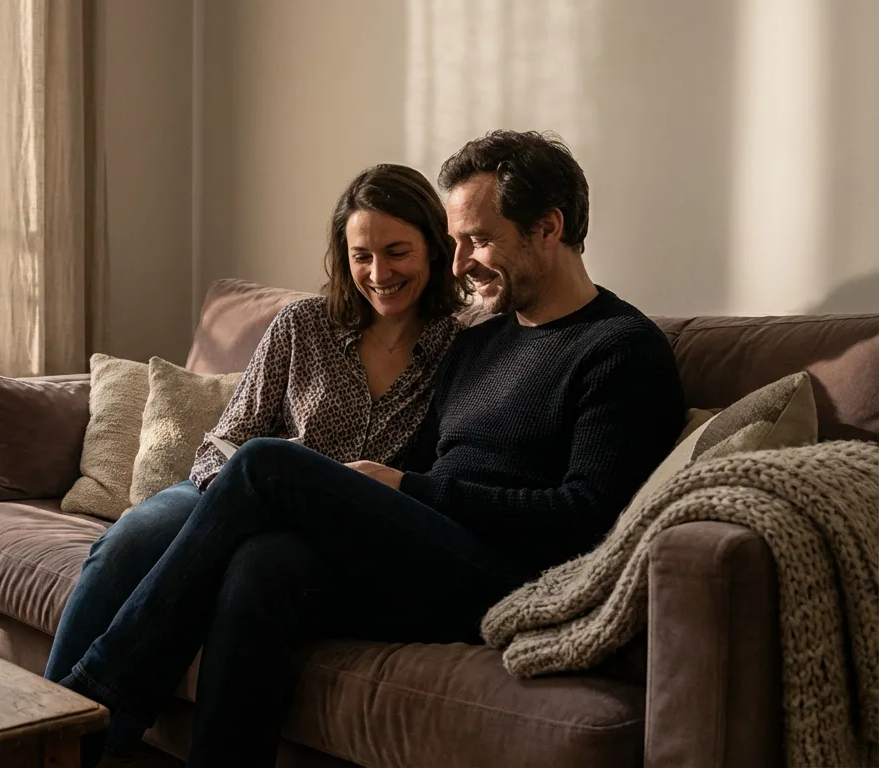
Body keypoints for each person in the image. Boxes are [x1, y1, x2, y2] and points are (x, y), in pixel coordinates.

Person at [57, 131, 687, 766]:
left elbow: (585, 520)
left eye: (479, 239)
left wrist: (406, 489)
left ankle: (85, 708)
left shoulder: (620, 350)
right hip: (426, 548)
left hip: (506, 574)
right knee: (262, 564)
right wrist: (393, 495)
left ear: (548, 228)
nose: (461, 262)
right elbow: (432, 463)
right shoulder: (481, 343)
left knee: (266, 463)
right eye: (458, 241)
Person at [45, 163, 471, 764]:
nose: (379, 274)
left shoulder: (462, 349)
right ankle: (45, 729)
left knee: (256, 563)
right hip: (229, 494)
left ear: (433, 243)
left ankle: (77, 737)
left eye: (397, 251)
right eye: (361, 256)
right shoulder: (303, 325)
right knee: (130, 540)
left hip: (330, 535)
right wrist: (236, 500)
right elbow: (226, 440)